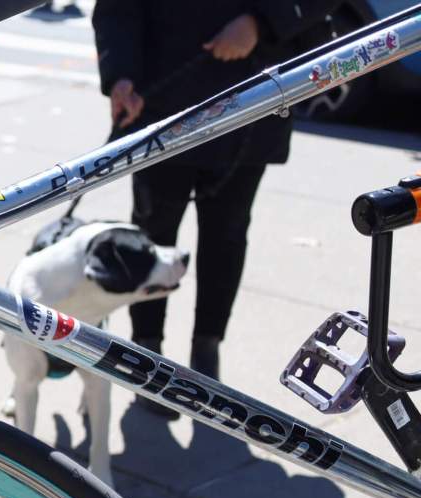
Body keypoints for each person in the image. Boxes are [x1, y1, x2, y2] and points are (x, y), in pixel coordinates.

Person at [92, 0, 335, 415]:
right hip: (161, 98)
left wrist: (261, 23)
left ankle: (207, 355)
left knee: (226, 233)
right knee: (152, 235)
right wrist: (121, 77)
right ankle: (147, 357)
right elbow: (117, 9)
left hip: (253, 98)